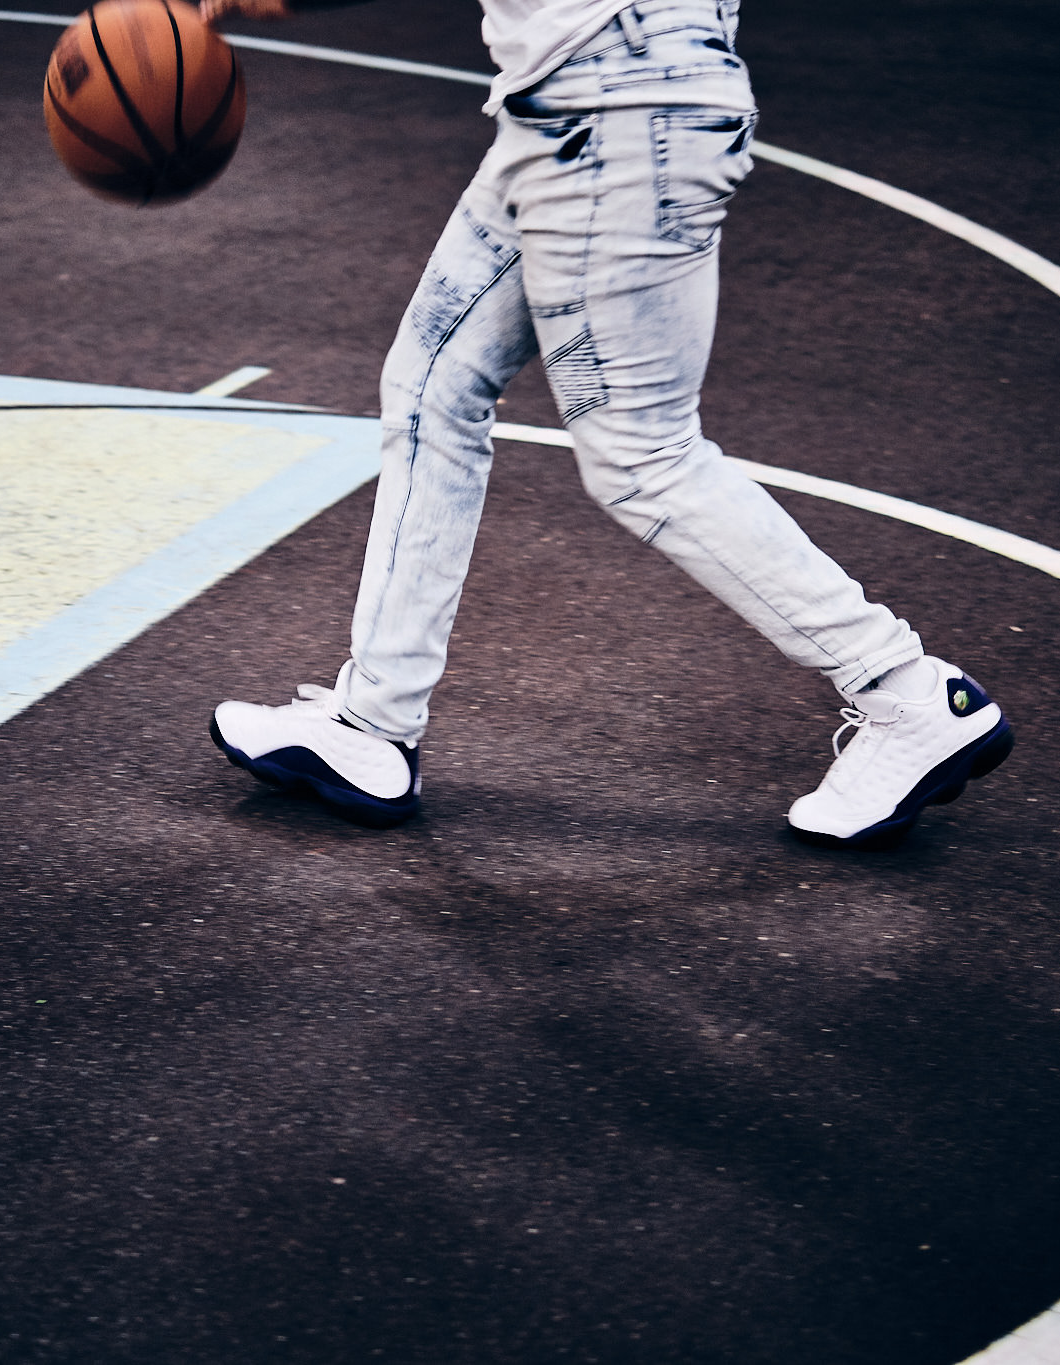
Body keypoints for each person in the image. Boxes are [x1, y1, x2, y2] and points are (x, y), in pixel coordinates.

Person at [202, 0, 1012, 847]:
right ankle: (371, 724)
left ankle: (908, 694)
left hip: (619, 109)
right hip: (582, 101)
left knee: (642, 454)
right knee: (430, 389)